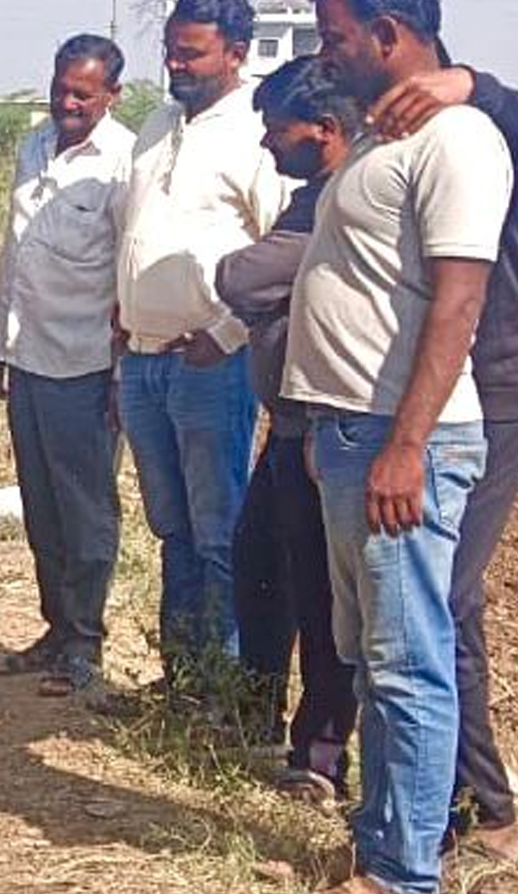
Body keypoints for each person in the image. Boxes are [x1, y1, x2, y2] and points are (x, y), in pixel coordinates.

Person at [285, 0, 511, 894]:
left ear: (388, 34)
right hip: (350, 432)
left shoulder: (456, 141)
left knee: (409, 663)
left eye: (335, 36)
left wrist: (406, 446)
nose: (325, 54)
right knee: (374, 658)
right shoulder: (386, 137)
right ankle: (384, 838)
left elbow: (459, 303)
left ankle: (405, 871)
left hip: (400, 438)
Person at [362, 37, 518, 858]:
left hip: (491, 389)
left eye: (341, 36)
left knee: (441, 599)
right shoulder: (394, 140)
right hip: (430, 390)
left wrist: (477, 86)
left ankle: (483, 808)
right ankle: (447, 800)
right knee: (424, 606)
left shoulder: (474, 131)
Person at [115, 0, 289, 681]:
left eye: (191, 53)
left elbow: (285, 250)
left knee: (218, 533)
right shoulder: (158, 124)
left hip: (210, 362)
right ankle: (182, 679)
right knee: (171, 528)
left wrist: (230, 332)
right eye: (170, 50)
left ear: (236, 53)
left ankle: (226, 686)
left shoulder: (256, 133)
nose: (175, 64)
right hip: (141, 360)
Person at [215, 55, 361, 804]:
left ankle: (321, 757)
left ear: (325, 129)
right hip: (291, 421)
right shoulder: (310, 199)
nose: (268, 143)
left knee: (322, 596)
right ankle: (260, 715)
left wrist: (273, 292)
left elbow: (239, 278)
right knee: (261, 565)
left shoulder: (342, 203)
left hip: (326, 427)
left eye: (278, 129)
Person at [0, 34, 132, 698]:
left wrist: (122, 375)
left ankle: (84, 644)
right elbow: (14, 256)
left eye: (82, 94)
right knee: (41, 507)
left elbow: (127, 272)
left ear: (111, 96)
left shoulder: (125, 163)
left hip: (87, 364)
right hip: (29, 357)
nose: (67, 103)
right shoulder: (35, 147)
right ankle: (56, 629)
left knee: (86, 512)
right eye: (60, 89)